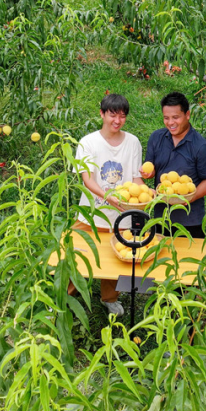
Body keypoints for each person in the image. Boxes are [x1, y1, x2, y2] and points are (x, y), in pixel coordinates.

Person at [72, 93, 144, 316]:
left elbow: (136, 179)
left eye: (122, 116)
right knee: (77, 256)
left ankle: (109, 298)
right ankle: (65, 294)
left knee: (116, 260)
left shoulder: (132, 142)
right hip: (91, 214)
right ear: (102, 114)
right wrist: (107, 196)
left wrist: (145, 194)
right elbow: (87, 179)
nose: (117, 120)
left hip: (121, 216)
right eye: (113, 115)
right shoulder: (88, 143)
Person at [142, 91, 206, 239]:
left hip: (189, 220)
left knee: (187, 260)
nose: (170, 123)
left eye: (175, 117)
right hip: (160, 216)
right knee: (159, 258)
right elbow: (150, 167)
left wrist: (190, 197)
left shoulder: (201, 147)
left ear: (187, 115)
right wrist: (148, 174)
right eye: (166, 118)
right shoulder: (156, 138)